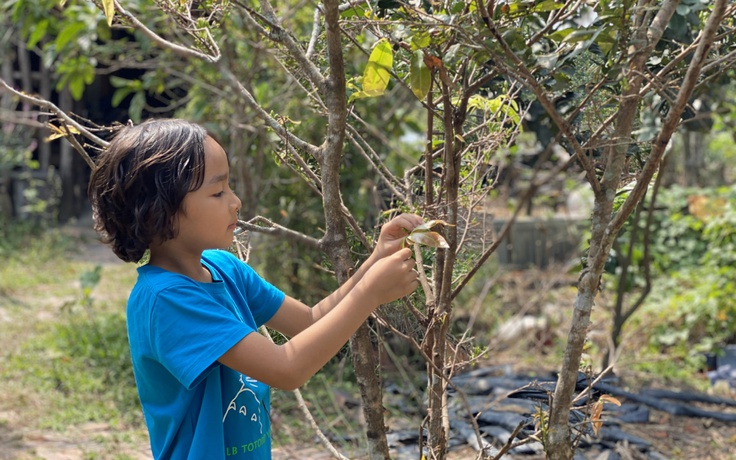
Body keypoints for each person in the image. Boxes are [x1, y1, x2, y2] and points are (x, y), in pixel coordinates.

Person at [87, 118, 422, 460]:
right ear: (161, 211)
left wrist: (375, 260)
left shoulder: (224, 267)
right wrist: (370, 293)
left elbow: (308, 320)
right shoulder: (167, 299)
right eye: (217, 192)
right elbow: (286, 369)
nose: (236, 202)